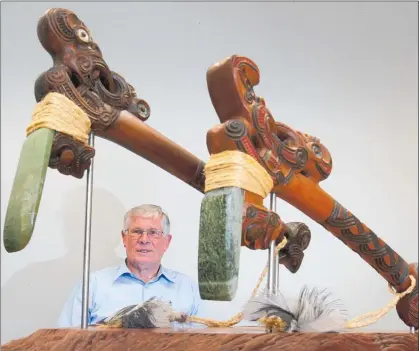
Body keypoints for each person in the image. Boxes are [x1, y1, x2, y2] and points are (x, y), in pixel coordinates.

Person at [58, 204, 202, 327]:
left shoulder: (188, 288)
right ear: (124, 238)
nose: (144, 239)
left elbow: (206, 342)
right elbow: (64, 341)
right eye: (137, 232)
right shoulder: (91, 286)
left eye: (153, 233)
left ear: (167, 241)